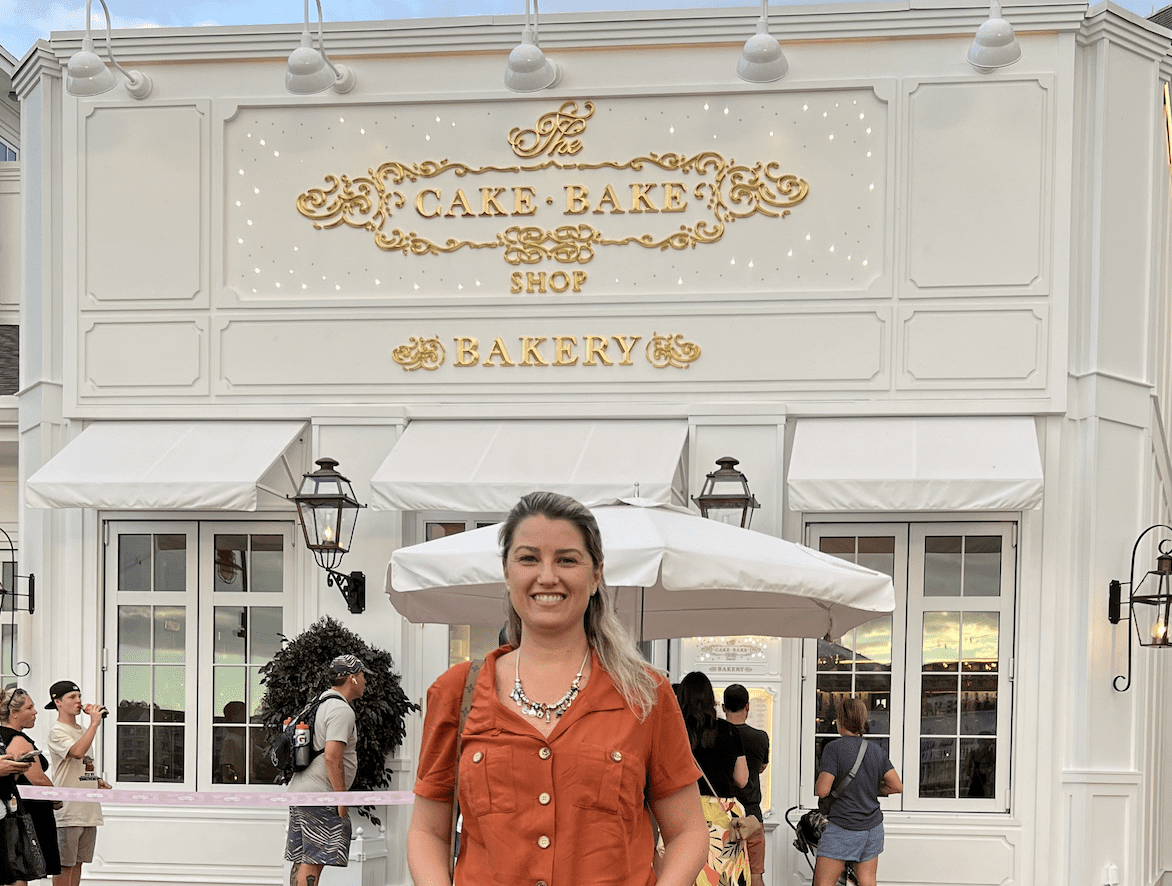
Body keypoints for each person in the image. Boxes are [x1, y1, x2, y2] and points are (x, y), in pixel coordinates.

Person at [407, 491, 709, 886]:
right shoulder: (455, 693)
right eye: (529, 558)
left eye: (567, 559)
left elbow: (688, 830)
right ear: (507, 570)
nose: (547, 576)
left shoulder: (644, 694)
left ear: (596, 573)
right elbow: (427, 830)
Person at [285, 654, 368, 886]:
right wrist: (341, 797)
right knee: (314, 859)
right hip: (321, 795)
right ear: (352, 678)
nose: (364, 681)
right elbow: (332, 757)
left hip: (302, 791)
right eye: (362, 675)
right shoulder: (341, 710)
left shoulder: (319, 703)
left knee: (302, 857)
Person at [678, 671, 757, 886]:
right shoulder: (729, 730)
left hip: (683, 810)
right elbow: (741, 779)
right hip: (723, 815)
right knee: (724, 878)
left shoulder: (675, 732)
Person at [813, 697, 903, 886]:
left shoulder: (833, 749)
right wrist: (870, 787)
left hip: (843, 826)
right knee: (867, 881)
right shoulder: (875, 750)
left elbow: (822, 791)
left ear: (840, 720)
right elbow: (897, 786)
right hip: (872, 827)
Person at [45, 680, 110, 886]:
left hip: (87, 810)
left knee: (78, 863)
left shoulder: (83, 729)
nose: (78, 701)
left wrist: (95, 780)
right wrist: (94, 724)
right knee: (65, 865)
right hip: (69, 812)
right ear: (57, 702)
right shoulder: (58, 731)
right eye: (72, 697)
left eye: (79, 696)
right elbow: (77, 752)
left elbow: (83, 764)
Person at [0, 688, 63, 884]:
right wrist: (57, 798)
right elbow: (38, 779)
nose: (35, 712)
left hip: (16, 810)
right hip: (27, 813)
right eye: (30, 707)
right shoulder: (17, 739)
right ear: (14, 712)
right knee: (20, 867)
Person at [722, 684, 769, 886]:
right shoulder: (760, 737)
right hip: (752, 814)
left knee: (722, 875)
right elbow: (762, 767)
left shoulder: (718, 736)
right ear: (748, 706)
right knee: (755, 874)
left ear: (723, 707)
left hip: (723, 814)